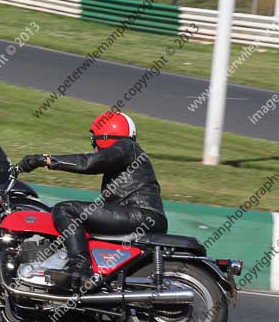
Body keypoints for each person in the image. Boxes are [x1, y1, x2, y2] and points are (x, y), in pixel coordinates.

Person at [18, 112, 168, 289]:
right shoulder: (127, 153)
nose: (94, 146)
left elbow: (90, 162)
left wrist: (46, 160)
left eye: (94, 140)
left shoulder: (127, 147)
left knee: (65, 209)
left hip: (140, 214)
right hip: (140, 215)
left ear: (105, 136)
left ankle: (80, 267)